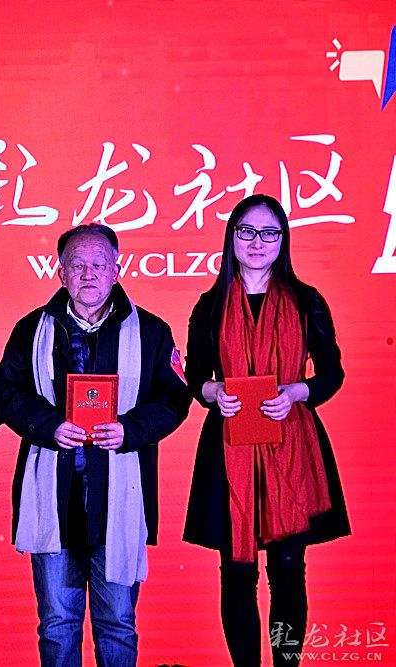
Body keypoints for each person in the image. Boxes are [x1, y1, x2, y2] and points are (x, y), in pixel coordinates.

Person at [0, 223, 190, 666]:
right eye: (77, 265)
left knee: (118, 623)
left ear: (116, 271)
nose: (88, 274)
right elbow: (4, 392)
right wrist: (48, 426)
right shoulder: (32, 329)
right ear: (60, 272)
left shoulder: (151, 331)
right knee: (56, 624)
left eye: (99, 265)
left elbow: (176, 398)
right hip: (54, 498)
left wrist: (130, 430)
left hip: (118, 499)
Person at [182, 194, 350, 666]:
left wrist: (297, 391)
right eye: (247, 232)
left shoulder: (306, 300)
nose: (258, 242)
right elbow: (194, 375)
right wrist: (213, 392)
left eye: (270, 233)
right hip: (229, 446)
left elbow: (332, 374)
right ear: (231, 238)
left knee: (289, 570)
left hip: (291, 444)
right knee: (237, 573)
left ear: (283, 241)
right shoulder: (211, 304)